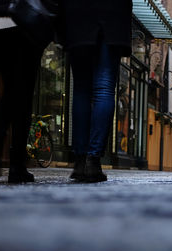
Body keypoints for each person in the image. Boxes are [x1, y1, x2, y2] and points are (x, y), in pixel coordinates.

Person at [59, 0, 132, 182]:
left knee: (81, 90)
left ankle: (80, 161)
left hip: (79, 17)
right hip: (113, 18)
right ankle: (93, 160)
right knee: (104, 89)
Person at [0, 0, 46, 183]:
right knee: (23, 92)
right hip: (25, 19)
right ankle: (11, 159)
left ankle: (1, 148)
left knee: (12, 88)